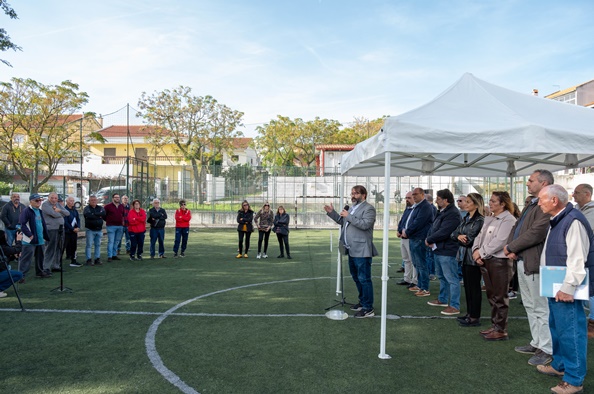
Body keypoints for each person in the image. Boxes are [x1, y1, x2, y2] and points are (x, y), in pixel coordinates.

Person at [536, 184, 592, 394]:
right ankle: (560, 365)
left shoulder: (573, 220)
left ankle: (574, 380)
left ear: (554, 201)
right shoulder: (561, 219)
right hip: (556, 284)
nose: (539, 202)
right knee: (558, 328)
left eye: (542, 198)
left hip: (565, 287)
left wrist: (568, 287)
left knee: (571, 332)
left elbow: (578, 258)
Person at [504, 169, 554, 365]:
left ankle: (547, 348)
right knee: (531, 305)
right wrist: (510, 247)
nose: (527, 183)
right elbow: (517, 228)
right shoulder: (533, 203)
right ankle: (537, 342)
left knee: (541, 307)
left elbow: (537, 232)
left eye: (531, 181)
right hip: (523, 260)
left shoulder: (547, 204)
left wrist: (511, 247)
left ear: (543, 184)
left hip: (535, 262)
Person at [324, 185, 378, 318]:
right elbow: (344, 222)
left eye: (356, 193)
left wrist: (348, 216)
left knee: (364, 279)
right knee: (356, 277)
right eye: (352, 193)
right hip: (351, 248)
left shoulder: (369, 208)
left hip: (362, 249)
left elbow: (365, 225)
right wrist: (332, 213)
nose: (353, 195)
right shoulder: (352, 207)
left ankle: (368, 308)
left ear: (364, 195)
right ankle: (362, 301)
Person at [472, 191, 517, 341]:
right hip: (488, 260)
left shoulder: (508, 219)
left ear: (503, 203)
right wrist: (476, 250)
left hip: (500, 262)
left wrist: (481, 253)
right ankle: (495, 326)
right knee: (492, 295)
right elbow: (480, 236)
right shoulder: (489, 218)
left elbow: (500, 241)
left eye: (493, 201)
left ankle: (501, 329)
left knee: (500, 296)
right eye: (490, 201)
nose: (490, 203)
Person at [425, 189, 462, 315]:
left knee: (451, 278)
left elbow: (444, 231)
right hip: (439, 248)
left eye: (439, 199)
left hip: (447, 250)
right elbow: (435, 227)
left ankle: (455, 305)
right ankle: (443, 299)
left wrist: (430, 239)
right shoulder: (442, 211)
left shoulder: (453, 213)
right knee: (442, 276)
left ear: (446, 200)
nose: (436, 201)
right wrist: (430, 239)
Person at [451, 193, 485, 327]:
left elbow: (469, 240)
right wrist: (459, 236)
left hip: (473, 258)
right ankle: (470, 314)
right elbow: (453, 234)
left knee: (474, 288)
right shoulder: (466, 218)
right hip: (464, 257)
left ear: (476, 204)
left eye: (468, 202)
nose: (465, 204)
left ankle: (475, 316)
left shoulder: (479, 220)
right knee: (468, 287)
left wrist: (459, 237)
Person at [402, 188, 434, 297]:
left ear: (422, 195)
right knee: (416, 263)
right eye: (413, 194)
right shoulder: (417, 206)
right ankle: (420, 285)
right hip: (414, 237)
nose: (414, 196)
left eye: (416, 194)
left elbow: (418, 222)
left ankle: (424, 288)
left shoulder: (425, 207)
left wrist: (407, 231)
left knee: (421, 264)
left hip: (420, 238)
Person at [572, 183, 594, 339]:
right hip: (582, 257)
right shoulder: (579, 210)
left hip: (589, 257)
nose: (573, 195)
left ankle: (592, 322)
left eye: (577, 193)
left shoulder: (591, 212)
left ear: (587, 194)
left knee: (591, 292)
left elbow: (584, 233)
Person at [18, 194, 50, 278]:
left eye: (40, 200)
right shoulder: (26, 211)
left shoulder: (39, 211)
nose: (39, 202)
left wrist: (45, 236)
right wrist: (30, 235)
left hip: (40, 239)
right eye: (37, 200)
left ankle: (40, 272)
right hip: (29, 240)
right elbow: (23, 225)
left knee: (40, 257)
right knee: (26, 259)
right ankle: (21, 275)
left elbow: (42, 224)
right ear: (31, 201)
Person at [41, 192, 70, 273]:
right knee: (50, 248)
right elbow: (54, 214)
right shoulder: (45, 205)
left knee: (59, 248)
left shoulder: (58, 204)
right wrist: (61, 213)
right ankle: (46, 267)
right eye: (52, 198)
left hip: (60, 229)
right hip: (51, 229)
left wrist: (60, 210)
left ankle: (56, 265)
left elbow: (67, 213)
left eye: (55, 198)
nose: (54, 200)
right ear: (48, 198)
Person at [396, 191, 417, 288]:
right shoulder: (407, 209)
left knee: (413, 260)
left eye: (409, 198)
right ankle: (407, 278)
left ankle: (415, 280)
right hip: (403, 237)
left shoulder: (416, 209)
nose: (407, 200)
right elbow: (402, 221)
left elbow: (416, 224)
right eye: (406, 198)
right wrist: (399, 230)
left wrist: (407, 232)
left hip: (411, 237)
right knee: (406, 259)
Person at [83, 195, 106, 266]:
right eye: (92, 200)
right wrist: (98, 215)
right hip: (90, 230)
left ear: (97, 201)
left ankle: (97, 259)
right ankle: (88, 259)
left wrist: (94, 214)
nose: (93, 201)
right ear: (89, 201)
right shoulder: (86, 208)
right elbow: (88, 215)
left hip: (99, 229)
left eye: (95, 200)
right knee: (89, 245)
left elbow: (103, 213)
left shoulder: (100, 208)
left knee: (98, 245)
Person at [0, 229, 23, 298]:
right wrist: (18, 240)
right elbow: (17, 249)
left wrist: (12, 256)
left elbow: (4, 259)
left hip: (1, 270)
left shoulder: (3, 248)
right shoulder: (2, 247)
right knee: (18, 275)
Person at [104, 193, 125, 262]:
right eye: (116, 197)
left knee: (116, 242)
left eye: (118, 197)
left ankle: (114, 255)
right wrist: (109, 220)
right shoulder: (107, 206)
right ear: (113, 198)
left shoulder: (121, 206)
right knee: (111, 241)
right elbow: (104, 215)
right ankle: (109, 256)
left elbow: (123, 215)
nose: (117, 198)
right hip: (111, 226)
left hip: (120, 226)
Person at [63, 196, 82, 268]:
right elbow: (65, 222)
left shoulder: (74, 210)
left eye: (73, 201)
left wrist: (78, 227)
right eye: (70, 201)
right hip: (67, 232)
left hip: (74, 232)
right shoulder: (64, 210)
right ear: (67, 201)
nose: (72, 202)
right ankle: (58, 262)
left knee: (74, 246)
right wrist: (72, 228)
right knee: (64, 246)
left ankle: (73, 260)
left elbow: (78, 219)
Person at [425, 194, 437, 281]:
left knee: (430, 255)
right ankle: (430, 272)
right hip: (428, 234)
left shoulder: (431, 208)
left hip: (430, 234)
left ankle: (431, 273)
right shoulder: (431, 208)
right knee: (428, 255)